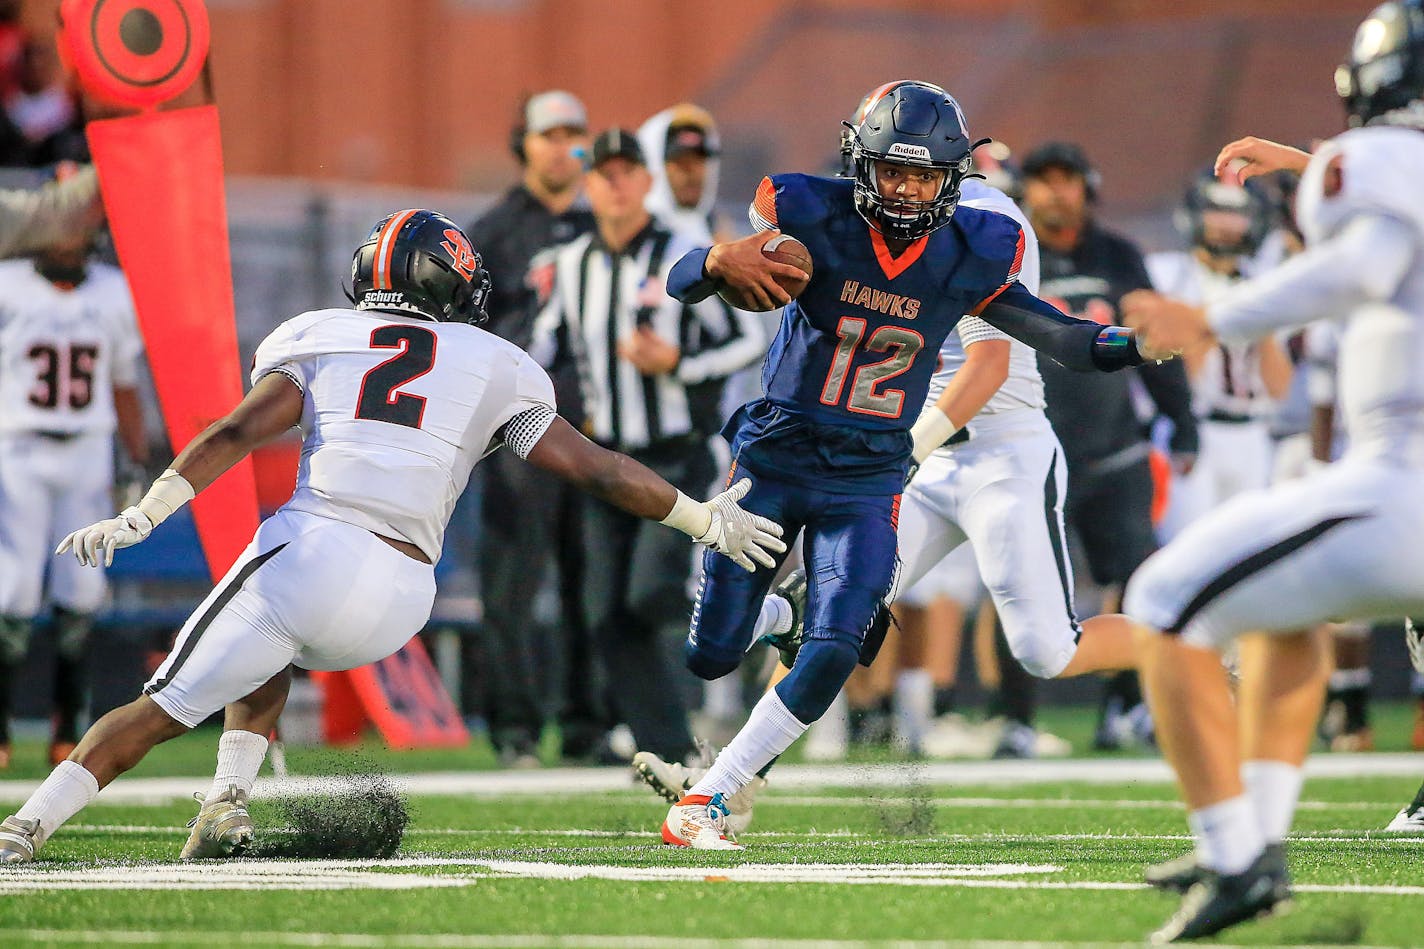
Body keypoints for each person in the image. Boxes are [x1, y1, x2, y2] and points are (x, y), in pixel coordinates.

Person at [0, 209, 784, 865]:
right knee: (271, 641)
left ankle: (22, 828)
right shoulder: (495, 361)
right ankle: (227, 802)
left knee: (157, 707)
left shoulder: (319, 335)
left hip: (314, 550)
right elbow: (600, 470)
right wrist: (705, 518)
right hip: (405, 594)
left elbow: (237, 432)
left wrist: (143, 512)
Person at [656, 80, 1172, 850]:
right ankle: (761, 637)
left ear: (958, 175)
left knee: (839, 639)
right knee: (710, 654)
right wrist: (713, 259)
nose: (904, 191)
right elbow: (681, 282)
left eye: (924, 174)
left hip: (875, 470)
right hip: (783, 453)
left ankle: (716, 793)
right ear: (861, 164)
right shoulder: (809, 212)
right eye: (892, 172)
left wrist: (1135, 343)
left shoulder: (981, 242)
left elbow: (1059, 337)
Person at [1120, 2, 1424, 938]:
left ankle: (1234, 853)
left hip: (1404, 484)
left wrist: (1216, 319)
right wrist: (1304, 166)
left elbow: (1370, 261)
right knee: (1279, 617)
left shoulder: (1372, 165)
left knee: (1163, 599)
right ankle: (1255, 834)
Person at [531, 129, 764, 768]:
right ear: (589, 182)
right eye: (602, 173)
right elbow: (540, 348)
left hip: (677, 453)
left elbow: (747, 339)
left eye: (626, 171)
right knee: (604, 612)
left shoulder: (682, 253)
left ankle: (754, 615)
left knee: (649, 596)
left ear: (644, 179)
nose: (614, 184)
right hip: (607, 461)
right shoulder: (570, 262)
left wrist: (679, 363)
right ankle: (669, 749)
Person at [1019, 140, 1199, 750]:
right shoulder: (1012, 250)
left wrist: (1182, 417)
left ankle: (1124, 709)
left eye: (1065, 180)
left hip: (1115, 447)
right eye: (1042, 181)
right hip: (1034, 448)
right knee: (1020, 578)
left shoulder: (1118, 254)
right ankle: (1016, 721)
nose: (1054, 192)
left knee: (1140, 579)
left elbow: (1151, 342)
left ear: (1087, 187)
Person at [463, 90, 600, 765]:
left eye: (574, 134)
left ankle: (587, 724)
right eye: (550, 133)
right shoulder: (490, 232)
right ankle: (514, 726)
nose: (561, 146)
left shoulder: (602, 223)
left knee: (590, 580)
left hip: (596, 426)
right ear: (525, 142)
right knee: (513, 581)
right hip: (518, 430)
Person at [0, 234, 147, 768]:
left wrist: (136, 457)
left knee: (82, 585)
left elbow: (124, 381)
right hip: (19, 444)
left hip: (86, 448)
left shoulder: (113, 291)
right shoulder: (8, 284)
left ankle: (70, 723)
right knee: (12, 587)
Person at [1148, 173, 1293, 541]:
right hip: (1191, 428)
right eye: (1216, 211)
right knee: (1186, 542)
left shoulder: (1264, 281)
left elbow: (1280, 388)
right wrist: (1211, 321)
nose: (1226, 225)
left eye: (1237, 214)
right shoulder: (1169, 275)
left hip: (1252, 434)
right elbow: (1175, 373)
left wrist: (1258, 321)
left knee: (1249, 549)